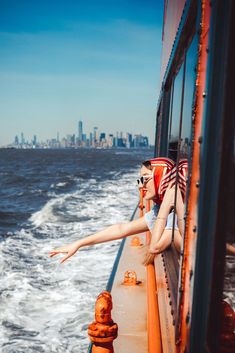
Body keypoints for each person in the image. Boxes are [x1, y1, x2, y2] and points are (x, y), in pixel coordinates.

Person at [49, 158, 187, 264]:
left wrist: (168, 201)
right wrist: (78, 243)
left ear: (161, 177)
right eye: (139, 180)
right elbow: (121, 229)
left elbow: (155, 247)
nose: (140, 186)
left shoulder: (173, 213)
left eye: (144, 179)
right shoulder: (162, 208)